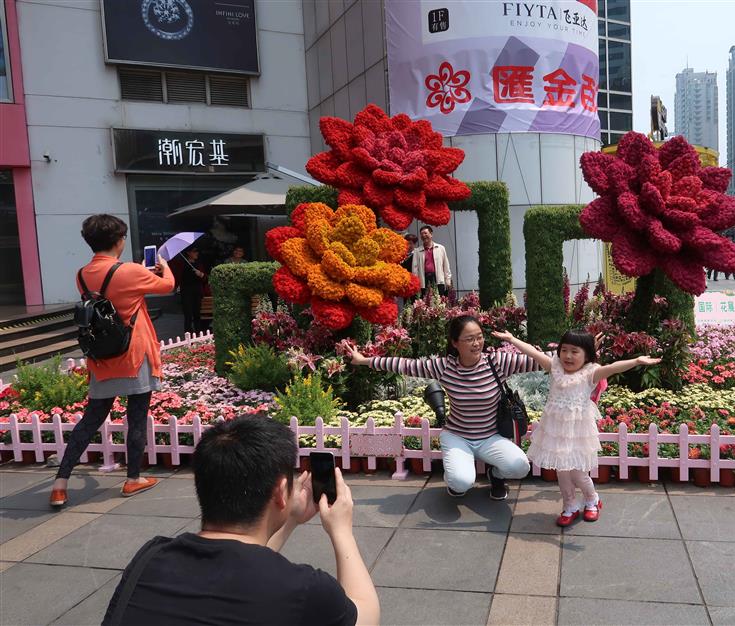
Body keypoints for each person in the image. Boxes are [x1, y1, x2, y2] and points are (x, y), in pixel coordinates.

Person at [102, 414, 380, 626]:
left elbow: (243, 567)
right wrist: (341, 531)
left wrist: (291, 519)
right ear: (282, 491)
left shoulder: (149, 559)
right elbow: (366, 615)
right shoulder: (304, 590)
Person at [49, 215, 175, 508]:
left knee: (91, 419)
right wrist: (164, 268)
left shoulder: (81, 274)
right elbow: (167, 285)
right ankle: (133, 479)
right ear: (120, 241)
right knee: (136, 418)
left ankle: (59, 484)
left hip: (103, 357)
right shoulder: (130, 270)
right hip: (134, 354)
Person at [347, 315, 540, 499]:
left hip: (490, 436)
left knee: (520, 467)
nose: (477, 343)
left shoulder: (498, 362)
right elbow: (405, 365)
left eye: (480, 337)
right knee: (461, 482)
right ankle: (456, 479)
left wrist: (567, 358)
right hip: (458, 436)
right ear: (455, 343)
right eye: (469, 339)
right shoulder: (445, 367)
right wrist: (363, 360)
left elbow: (539, 361)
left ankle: (496, 475)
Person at [492, 329, 660, 526]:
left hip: (578, 431)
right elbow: (533, 352)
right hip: (556, 430)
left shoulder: (591, 373)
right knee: (562, 472)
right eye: (564, 350)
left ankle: (592, 500)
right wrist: (512, 339)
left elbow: (613, 367)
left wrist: (636, 361)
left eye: (574, 351)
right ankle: (570, 505)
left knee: (578, 473)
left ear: (587, 355)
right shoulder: (554, 367)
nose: (568, 356)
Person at [411, 225, 452, 298]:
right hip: (424, 280)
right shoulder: (417, 251)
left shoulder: (441, 248)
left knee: (439, 302)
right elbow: (415, 270)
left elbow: (446, 265)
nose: (423, 236)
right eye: (422, 234)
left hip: (438, 279)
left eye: (425, 233)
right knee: (425, 303)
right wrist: (416, 284)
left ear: (431, 234)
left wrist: (448, 280)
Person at [175, 247, 207, 333]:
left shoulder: (199, 264)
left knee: (197, 314)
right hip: (186, 292)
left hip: (197, 292)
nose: (197, 253)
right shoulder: (182, 264)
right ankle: (188, 334)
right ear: (189, 253)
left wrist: (201, 274)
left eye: (197, 251)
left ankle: (198, 333)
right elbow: (178, 277)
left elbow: (205, 279)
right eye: (195, 251)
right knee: (188, 315)